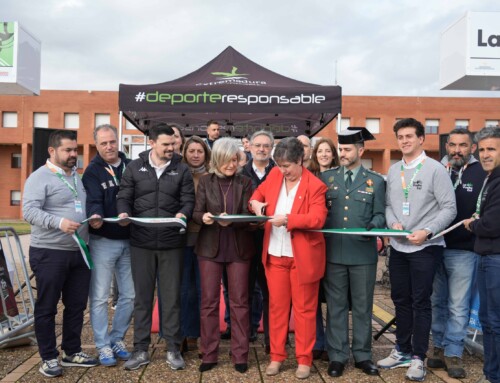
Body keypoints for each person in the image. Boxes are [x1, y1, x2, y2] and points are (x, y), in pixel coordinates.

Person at [378, 118, 456, 382]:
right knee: (400, 300)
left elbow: (449, 208)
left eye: (410, 136)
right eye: (400, 136)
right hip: (399, 246)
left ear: (422, 139)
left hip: (425, 246)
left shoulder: (435, 169)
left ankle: (418, 358)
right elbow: (388, 205)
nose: (405, 141)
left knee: (421, 302)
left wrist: (427, 231)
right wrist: (393, 223)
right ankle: (401, 349)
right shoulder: (394, 169)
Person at [116, 124, 195, 371]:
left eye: (173, 143)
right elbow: (123, 195)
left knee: (171, 299)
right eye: (166, 144)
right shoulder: (134, 167)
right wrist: (123, 212)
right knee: (142, 298)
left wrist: (183, 213)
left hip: (172, 243)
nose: (171, 148)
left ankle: (173, 349)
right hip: (142, 243)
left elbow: (188, 199)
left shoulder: (181, 169)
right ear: (151, 143)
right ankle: (140, 349)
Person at [250, 137, 328, 379]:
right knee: (277, 308)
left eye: (287, 166)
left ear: (300, 160)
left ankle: (304, 360)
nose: (283, 171)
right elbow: (257, 194)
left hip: (301, 257)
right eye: (280, 165)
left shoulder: (315, 185)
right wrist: (255, 203)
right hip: (275, 254)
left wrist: (289, 219)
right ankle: (276, 356)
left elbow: (317, 218)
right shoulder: (274, 175)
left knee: (305, 310)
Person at [23, 130, 98, 378]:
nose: (73, 155)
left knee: (76, 306)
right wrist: (59, 223)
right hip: (49, 253)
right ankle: (48, 357)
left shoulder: (77, 177)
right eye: (67, 150)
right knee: (47, 307)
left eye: (75, 150)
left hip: (79, 252)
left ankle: (71, 351)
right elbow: (29, 212)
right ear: (52, 151)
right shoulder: (39, 177)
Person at [321, 127, 385, 377]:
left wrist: (374, 225)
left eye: (347, 150)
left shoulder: (376, 181)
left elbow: (380, 213)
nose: (343, 154)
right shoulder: (327, 178)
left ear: (361, 150)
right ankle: (337, 356)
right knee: (335, 306)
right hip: (334, 253)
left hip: (362, 254)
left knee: (362, 307)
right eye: (341, 149)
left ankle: (362, 355)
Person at [192, 138, 255, 374]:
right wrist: (204, 218)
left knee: (239, 302)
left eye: (235, 159)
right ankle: (209, 353)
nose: (232, 164)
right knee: (209, 303)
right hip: (209, 247)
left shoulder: (245, 182)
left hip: (239, 246)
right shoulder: (206, 181)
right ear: (217, 159)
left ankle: (240, 354)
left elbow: (250, 216)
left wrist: (235, 219)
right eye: (227, 159)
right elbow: (197, 212)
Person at [429, 128, 486, 378]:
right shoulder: (437, 170)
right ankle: (438, 348)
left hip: (464, 249)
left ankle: (454, 352)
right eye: (452, 145)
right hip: (433, 247)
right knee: (436, 302)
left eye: (463, 145)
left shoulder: (482, 171)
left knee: (458, 306)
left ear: (472, 148)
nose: (456, 150)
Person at [82, 124, 135, 366]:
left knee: (130, 295)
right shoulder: (92, 171)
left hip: (131, 239)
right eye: (103, 143)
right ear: (97, 145)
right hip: (103, 241)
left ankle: (117, 339)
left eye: (112, 141)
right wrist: (95, 217)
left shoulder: (132, 165)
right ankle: (103, 345)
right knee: (101, 297)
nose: (109, 146)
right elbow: (93, 200)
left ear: (118, 141)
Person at [464, 126, 500, 383]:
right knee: (489, 321)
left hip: (495, 259)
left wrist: (472, 224)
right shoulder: (491, 178)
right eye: (483, 149)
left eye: (492, 149)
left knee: (494, 323)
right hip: (488, 257)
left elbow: (491, 225)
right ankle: (491, 374)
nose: (486, 154)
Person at [241, 130, 276, 353]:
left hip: (273, 241)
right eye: (257, 145)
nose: (261, 149)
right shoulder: (240, 173)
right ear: (250, 147)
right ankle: (244, 337)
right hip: (245, 240)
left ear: (271, 147)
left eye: (266, 145)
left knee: (271, 294)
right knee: (243, 292)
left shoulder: (280, 171)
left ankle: (272, 341)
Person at [309, 137, 340, 360]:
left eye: (328, 151)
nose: (324, 155)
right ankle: (317, 342)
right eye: (320, 151)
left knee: (335, 298)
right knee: (312, 298)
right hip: (312, 243)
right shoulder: (308, 177)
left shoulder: (340, 176)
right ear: (315, 154)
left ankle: (333, 344)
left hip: (335, 242)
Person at [180, 136, 211, 351]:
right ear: (185, 153)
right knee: (184, 290)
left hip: (206, 239)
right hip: (181, 240)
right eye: (191, 150)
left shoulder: (211, 176)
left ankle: (202, 337)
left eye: (199, 150)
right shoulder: (178, 173)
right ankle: (184, 333)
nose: (195, 154)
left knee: (205, 291)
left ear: (206, 153)